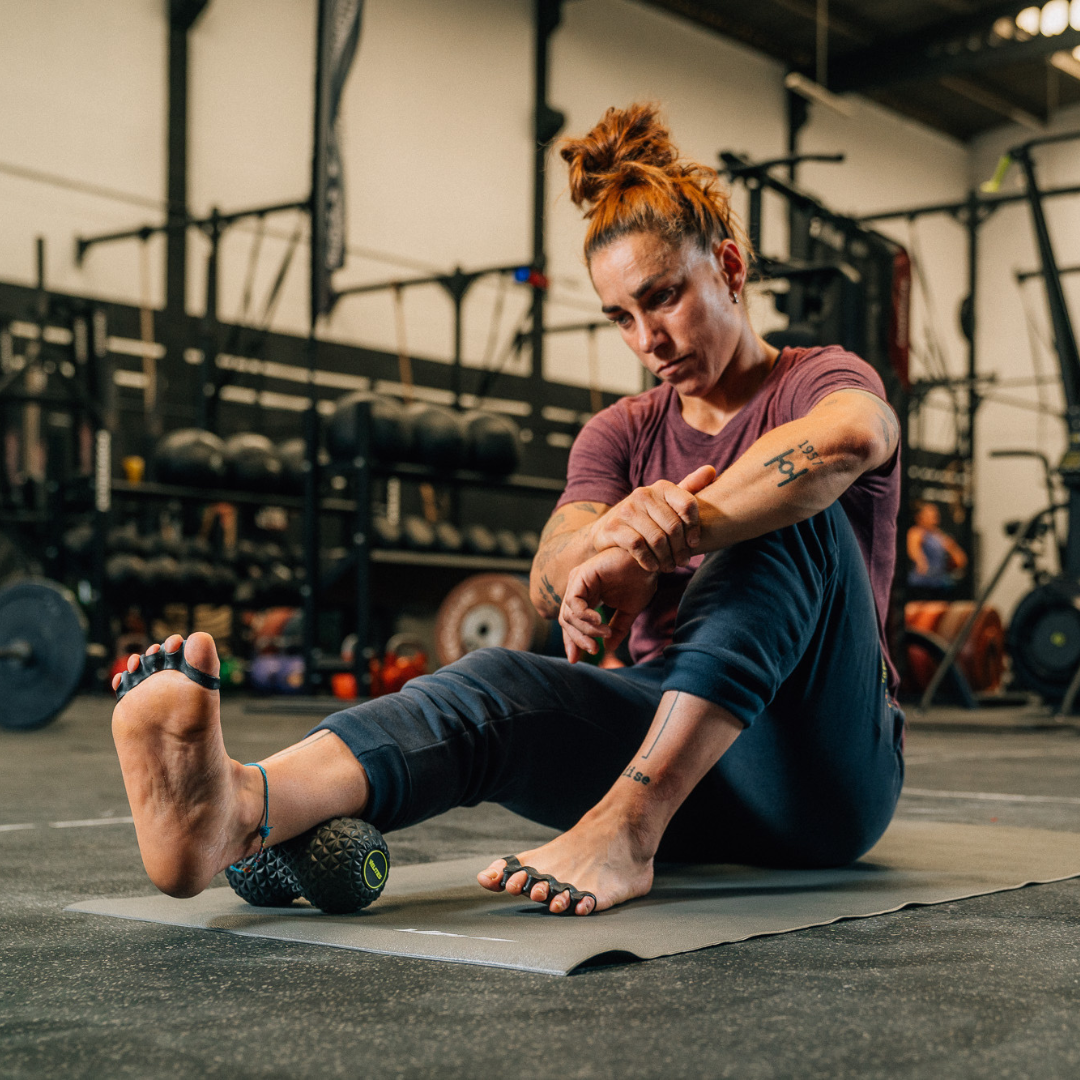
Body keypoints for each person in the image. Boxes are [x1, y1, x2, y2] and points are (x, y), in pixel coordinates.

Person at [111, 104, 904, 918]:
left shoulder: (817, 378)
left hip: (820, 773)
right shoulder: (621, 430)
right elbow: (551, 569)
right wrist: (598, 553)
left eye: (662, 299)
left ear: (730, 269)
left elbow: (850, 438)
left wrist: (673, 537)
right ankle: (236, 809)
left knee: (795, 510)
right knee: (494, 683)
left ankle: (628, 826)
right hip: (682, 752)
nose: (647, 340)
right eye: (620, 319)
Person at [907, 501, 967, 591]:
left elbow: (960, 559)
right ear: (920, 517)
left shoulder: (940, 536)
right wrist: (921, 560)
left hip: (939, 580)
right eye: (929, 514)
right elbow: (914, 549)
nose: (934, 517)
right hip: (922, 580)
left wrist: (953, 554)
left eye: (935, 514)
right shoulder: (917, 532)